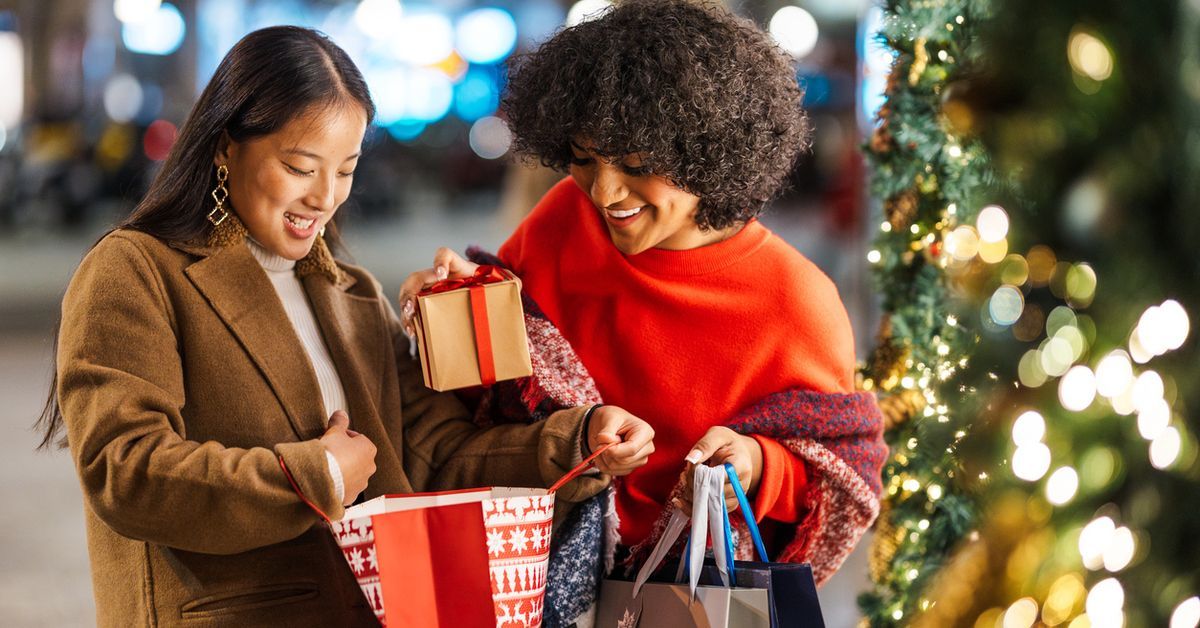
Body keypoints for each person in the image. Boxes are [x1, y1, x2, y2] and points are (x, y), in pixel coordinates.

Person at [36, 26, 654, 627]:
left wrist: (576, 440)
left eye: (346, 168)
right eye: (301, 167)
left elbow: (435, 454)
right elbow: (127, 472)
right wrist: (316, 475)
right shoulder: (137, 270)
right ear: (226, 144)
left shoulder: (348, 291)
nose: (325, 197)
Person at [400, 1, 888, 624]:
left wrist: (758, 464)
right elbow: (488, 399)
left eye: (635, 166)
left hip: (687, 604)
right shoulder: (561, 222)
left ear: (708, 150)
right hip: (531, 592)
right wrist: (456, 305)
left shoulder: (795, 302)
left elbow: (839, 479)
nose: (604, 193)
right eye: (583, 158)